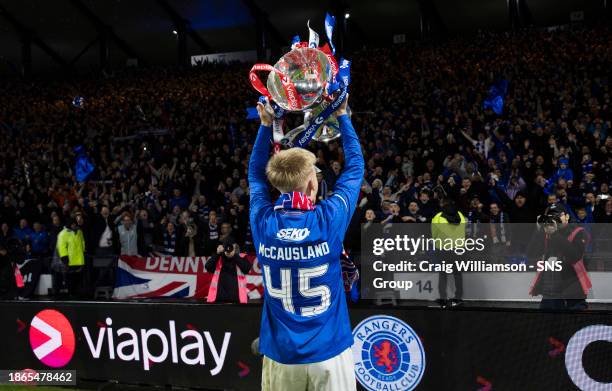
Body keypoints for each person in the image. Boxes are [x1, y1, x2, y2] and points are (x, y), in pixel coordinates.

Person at [249, 96, 363, 391]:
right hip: (329, 353)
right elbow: (355, 169)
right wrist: (342, 116)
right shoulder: (328, 220)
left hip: (282, 356)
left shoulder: (263, 223)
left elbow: (255, 178)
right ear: (313, 185)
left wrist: (265, 126)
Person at [529, 204, 591, 310]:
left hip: (572, 293)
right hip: (549, 293)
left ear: (567, 217)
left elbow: (574, 256)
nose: (554, 219)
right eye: (550, 216)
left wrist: (554, 234)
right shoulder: (546, 233)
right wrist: (538, 230)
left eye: (558, 215)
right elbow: (531, 253)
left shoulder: (579, 232)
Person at [431, 198, 466, 307]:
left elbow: (434, 235)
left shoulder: (438, 217)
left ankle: (443, 298)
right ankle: (458, 298)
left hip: (443, 250)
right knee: (457, 274)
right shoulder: (460, 215)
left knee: (443, 274)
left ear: (442, 205)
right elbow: (463, 230)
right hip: (459, 249)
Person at [205, 237, 251, 303]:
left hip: (237, 299)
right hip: (219, 298)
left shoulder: (241, 257)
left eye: (231, 247)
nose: (229, 249)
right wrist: (217, 253)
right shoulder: (218, 258)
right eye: (227, 247)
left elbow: (247, 269)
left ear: (235, 247)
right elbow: (208, 267)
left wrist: (235, 256)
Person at [56, 217, 86, 297]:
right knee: (70, 278)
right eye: (72, 224)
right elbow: (61, 247)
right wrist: (64, 257)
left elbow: (82, 242)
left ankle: (76, 292)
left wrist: (83, 251)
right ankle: (71, 293)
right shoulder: (63, 233)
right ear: (69, 224)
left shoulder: (79, 231)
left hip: (79, 259)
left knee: (78, 277)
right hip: (70, 260)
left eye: (75, 224)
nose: (74, 225)